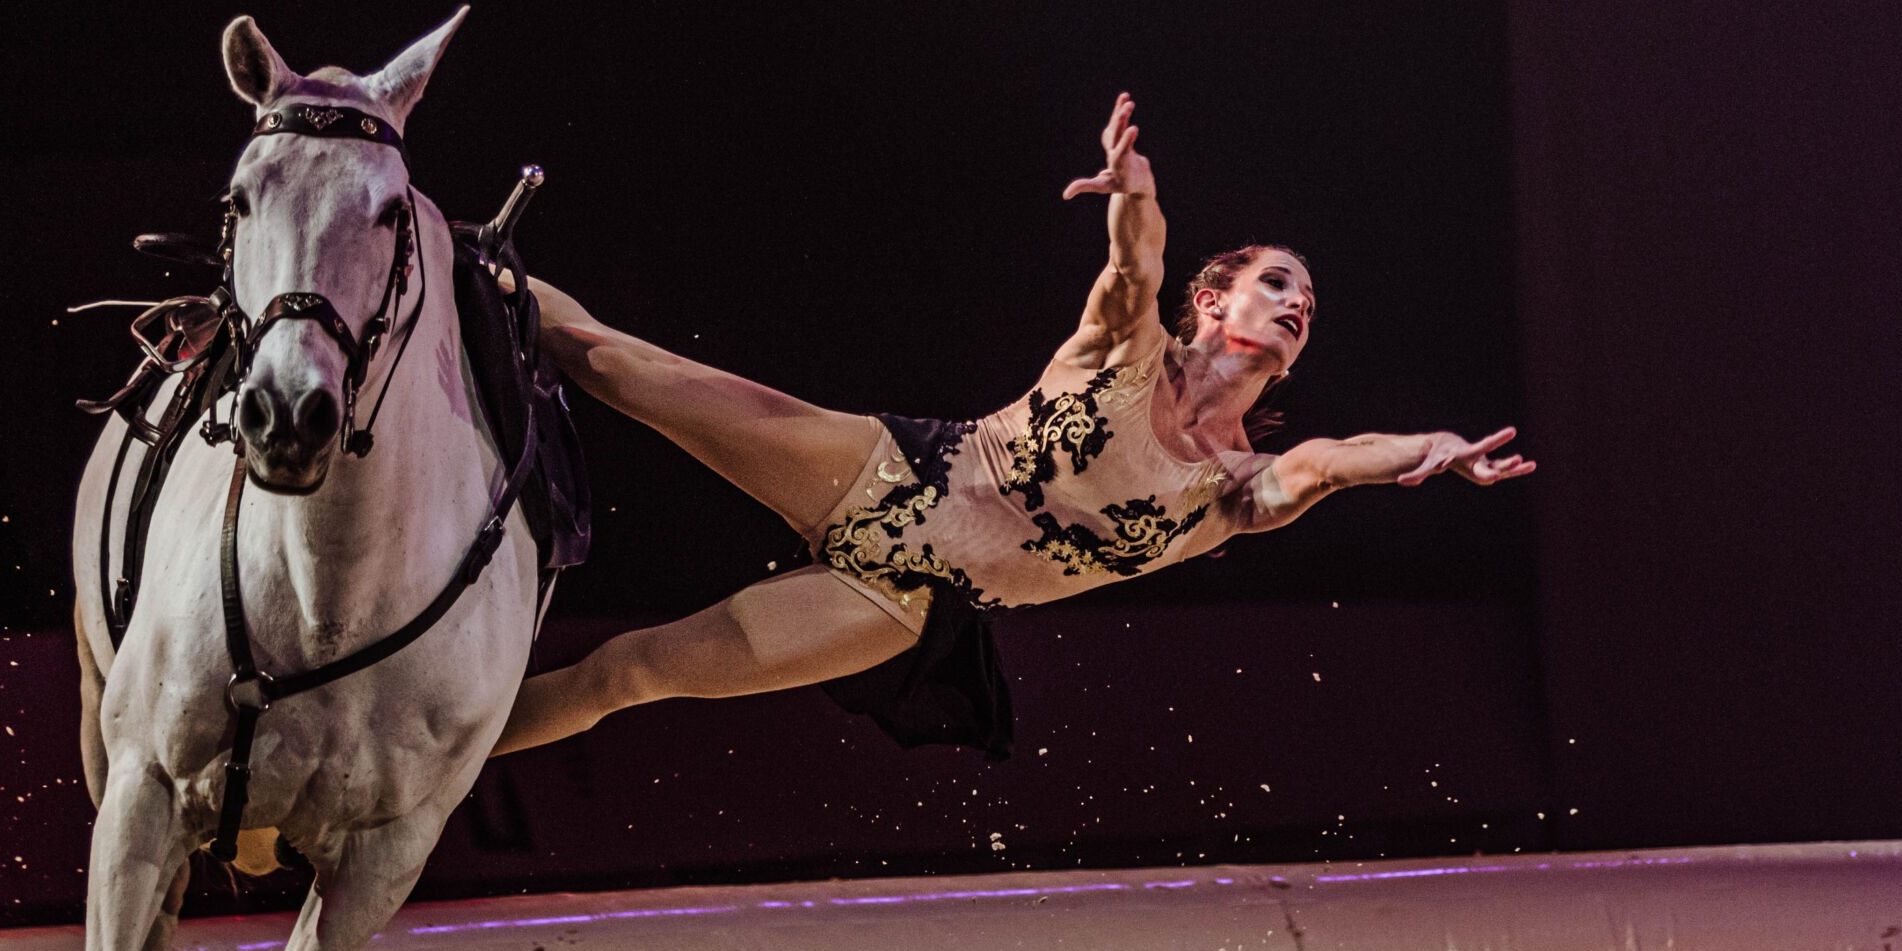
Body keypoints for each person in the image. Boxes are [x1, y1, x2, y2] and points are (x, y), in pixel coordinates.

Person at [491, 94, 1532, 761]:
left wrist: (1430, 450)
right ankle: (436, 252)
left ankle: (399, 777)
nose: (1297, 301)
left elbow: (1329, 464)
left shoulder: (1236, 490)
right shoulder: (1124, 354)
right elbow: (1135, 267)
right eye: (1274, 281)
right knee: (614, 363)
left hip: (902, 599)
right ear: (1215, 297)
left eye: (1307, 299)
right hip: (892, 473)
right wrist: (1135, 193)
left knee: (627, 674)